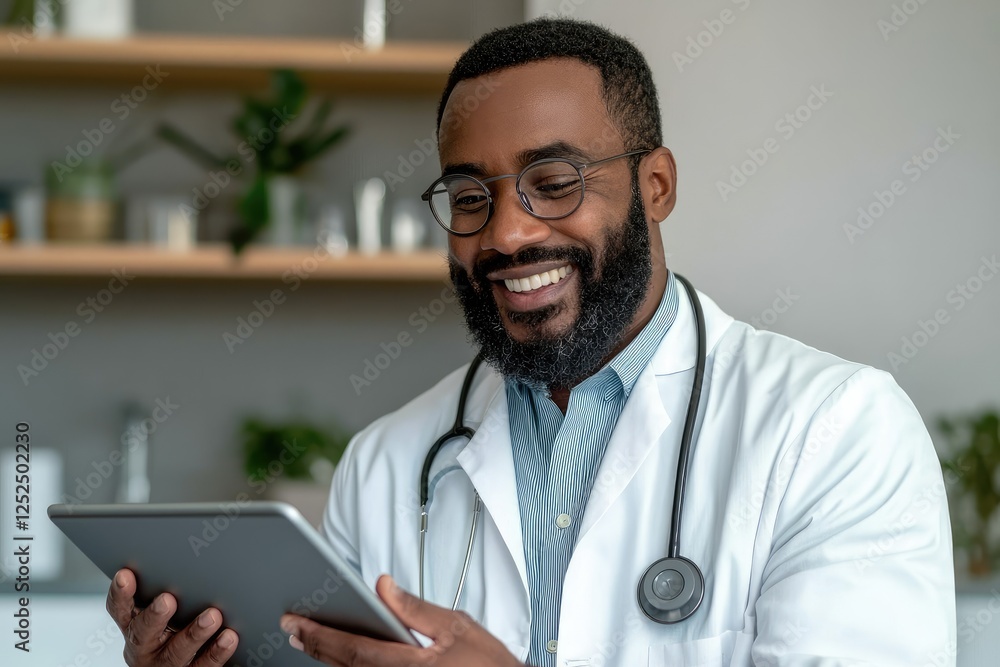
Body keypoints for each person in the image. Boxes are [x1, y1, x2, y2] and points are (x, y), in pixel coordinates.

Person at [106, 18, 956, 667]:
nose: (507, 234)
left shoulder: (837, 430)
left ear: (654, 186)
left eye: (554, 183)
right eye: (470, 197)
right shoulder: (389, 463)